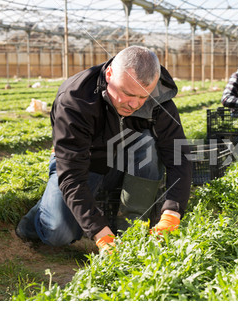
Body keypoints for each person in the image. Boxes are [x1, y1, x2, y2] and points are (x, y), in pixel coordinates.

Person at [15, 46, 192, 253]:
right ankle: (34, 220)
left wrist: (172, 212)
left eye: (143, 97)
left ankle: (131, 230)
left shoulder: (158, 100)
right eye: (127, 93)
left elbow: (179, 156)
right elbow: (72, 174)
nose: (134, 104)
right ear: (109, 75)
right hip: (84, 164)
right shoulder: (75, 99)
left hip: (120, 162)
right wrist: (100, 233)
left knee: (148, 143)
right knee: (58, 232)